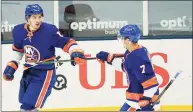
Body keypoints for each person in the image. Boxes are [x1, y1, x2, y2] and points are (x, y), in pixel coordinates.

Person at [3, 4, 85, 111]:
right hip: (28, 71)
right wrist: (12, 66)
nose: (38, 20)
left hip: (44, 73)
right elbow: (18, 50)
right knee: (23, 101)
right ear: (27, 18)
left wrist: (75, 52)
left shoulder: (49, 31)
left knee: (27, 106)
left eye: (40, 16)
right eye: (34, 17)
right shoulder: (18, 31)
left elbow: (68, 43)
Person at [96, 24, 160, 111]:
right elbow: (126, 68)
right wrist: (109, 58)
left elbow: (151, 84)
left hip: (142, 103)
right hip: (135, 101)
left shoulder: (138, 57)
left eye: (122, 38)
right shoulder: (131, 52)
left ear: (128, 40)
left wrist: (146, 100)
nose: (121, 40)